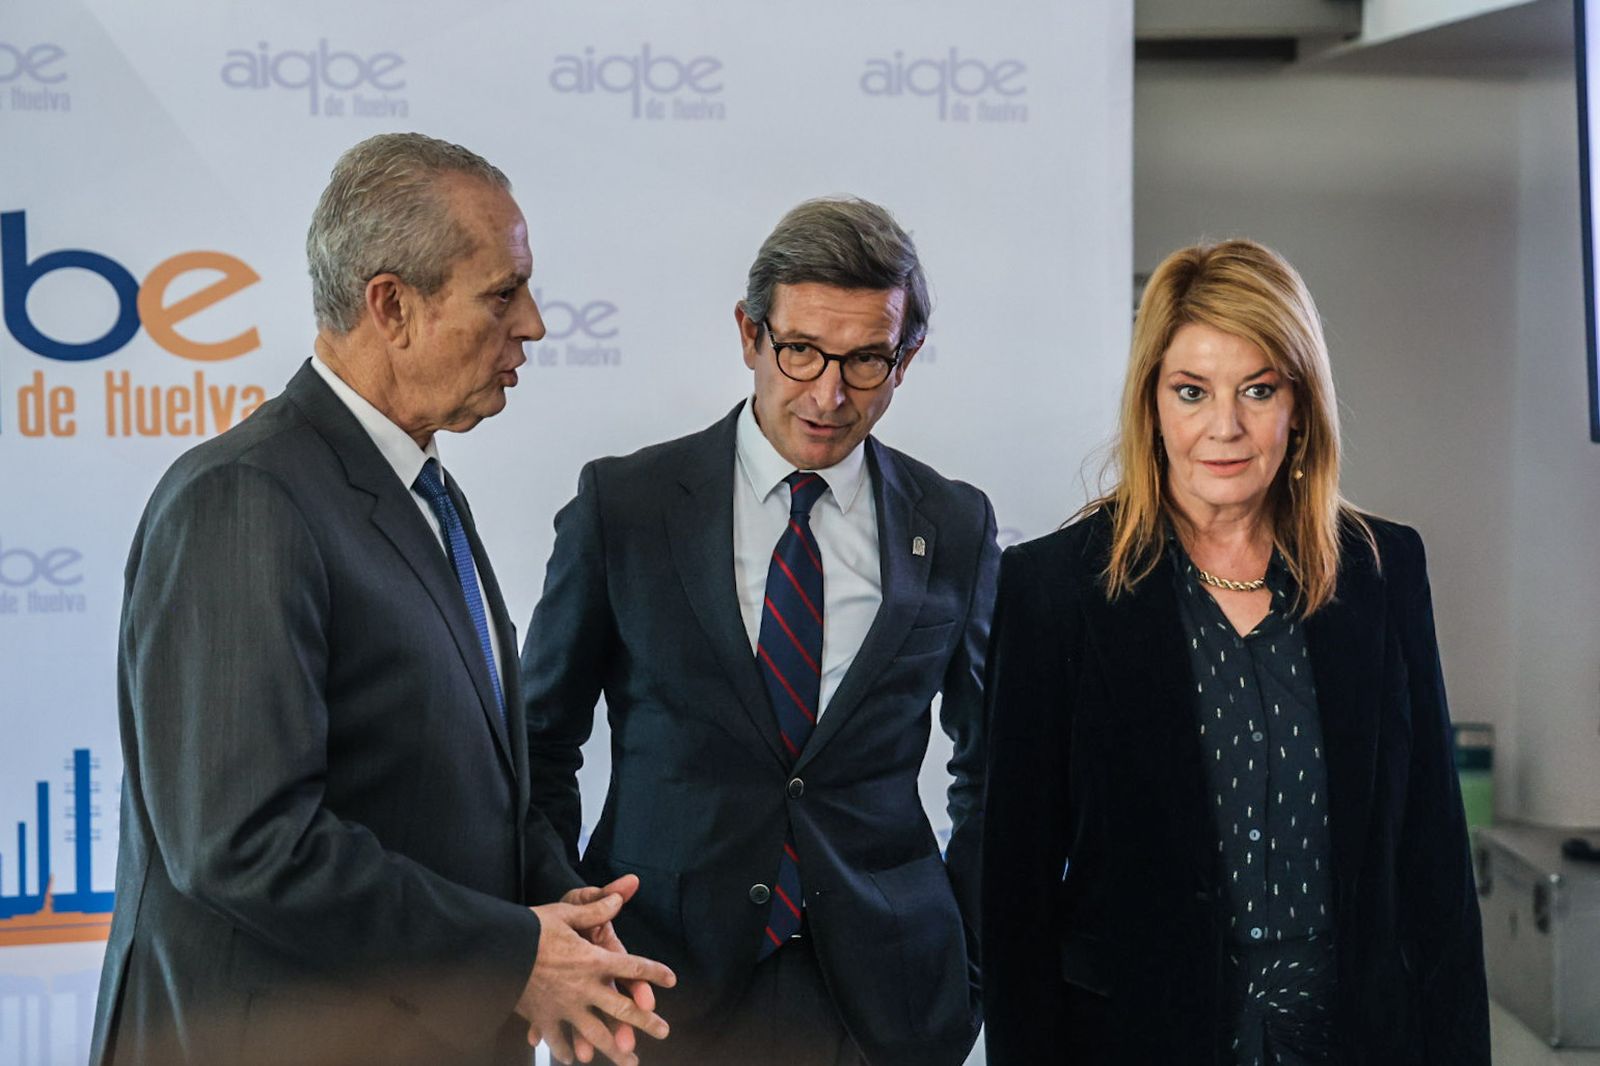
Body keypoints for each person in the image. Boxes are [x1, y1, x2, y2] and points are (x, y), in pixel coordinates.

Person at [89, 132, 674, 1066]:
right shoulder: (244, 497)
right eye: (501, 293)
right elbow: (245, 844)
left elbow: (467, 781)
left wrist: (562, 921)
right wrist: (511, 955)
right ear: (392, 306)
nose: (534, 323)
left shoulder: (423, 490)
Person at [981, 239, 1490, 1065]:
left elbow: (1434, 857)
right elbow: (1015, 890)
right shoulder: (1053, 590)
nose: (1225, 427)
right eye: (1192, 392)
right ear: (1151, 405)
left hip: (1355, 1038)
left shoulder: (1383, 570)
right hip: (1137, 1041)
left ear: (1300, 408)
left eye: (1258, 390)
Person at [519, 196, 999, 1066]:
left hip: (886, 1003)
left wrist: (964, 961)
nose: (828, 393)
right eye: (802, 351)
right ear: (749, 335)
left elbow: (996, 765)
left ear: (907, 359)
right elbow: (537, 748)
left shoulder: (955, 525)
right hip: (655, 987)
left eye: (865, 361)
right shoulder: (624, 508)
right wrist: (572, 937)